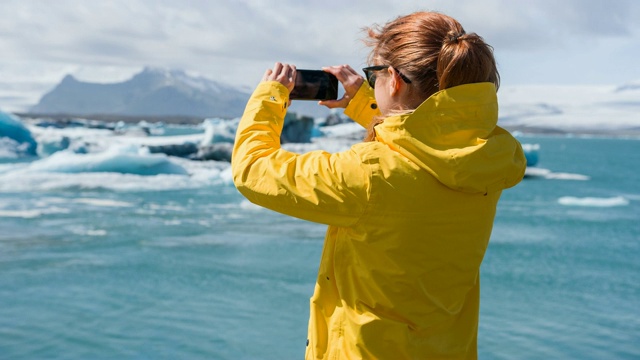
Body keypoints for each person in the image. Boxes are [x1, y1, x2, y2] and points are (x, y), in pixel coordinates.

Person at [232, 11, 526, 359]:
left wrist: (269, 97)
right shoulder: (485, 159)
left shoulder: (370, 175)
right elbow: (426, 142)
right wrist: (366, 104)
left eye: (374, 76)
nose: (370, 84)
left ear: (395, 81)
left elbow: (253, 169)